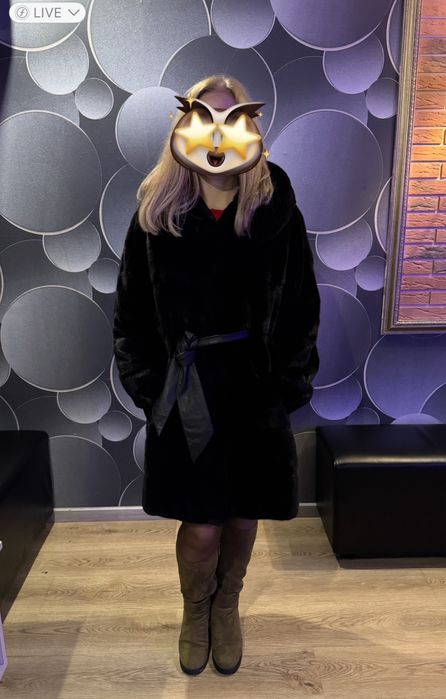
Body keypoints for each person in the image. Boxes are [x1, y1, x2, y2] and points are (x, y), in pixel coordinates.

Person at [113, 74, 320, 676]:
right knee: (201, 525)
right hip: (187, 394)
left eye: (233, 118)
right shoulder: (157, 214)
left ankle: (227, 605)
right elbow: (131, 317)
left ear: (250, 128)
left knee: (243, 514)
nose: (219, 132)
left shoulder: (277, 214)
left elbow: (302, 307)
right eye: (205, 116)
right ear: (185, 126)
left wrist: (286, 388)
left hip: (255, 391)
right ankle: (196, 608)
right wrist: (151, 390)